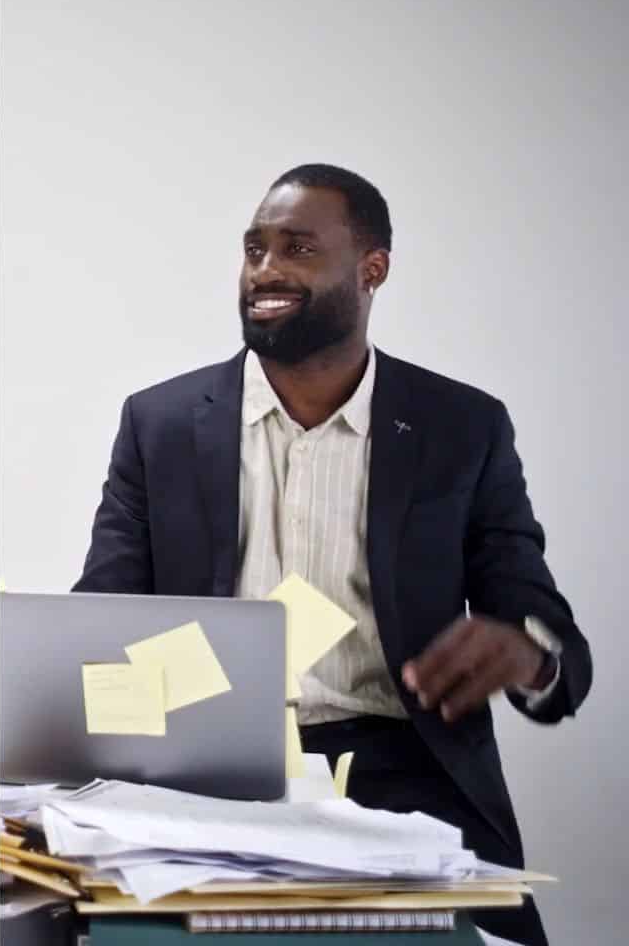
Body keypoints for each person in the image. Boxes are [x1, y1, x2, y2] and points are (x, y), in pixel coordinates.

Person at [73, 163, 590, 946]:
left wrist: (526, 654)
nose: (266, 271)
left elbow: (544, 628)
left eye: (298, 249)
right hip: (208, 780)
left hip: (406, 771)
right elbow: (98, 624)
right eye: (254, 249)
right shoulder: (161, 423)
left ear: (372, 269)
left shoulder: (462, 428)